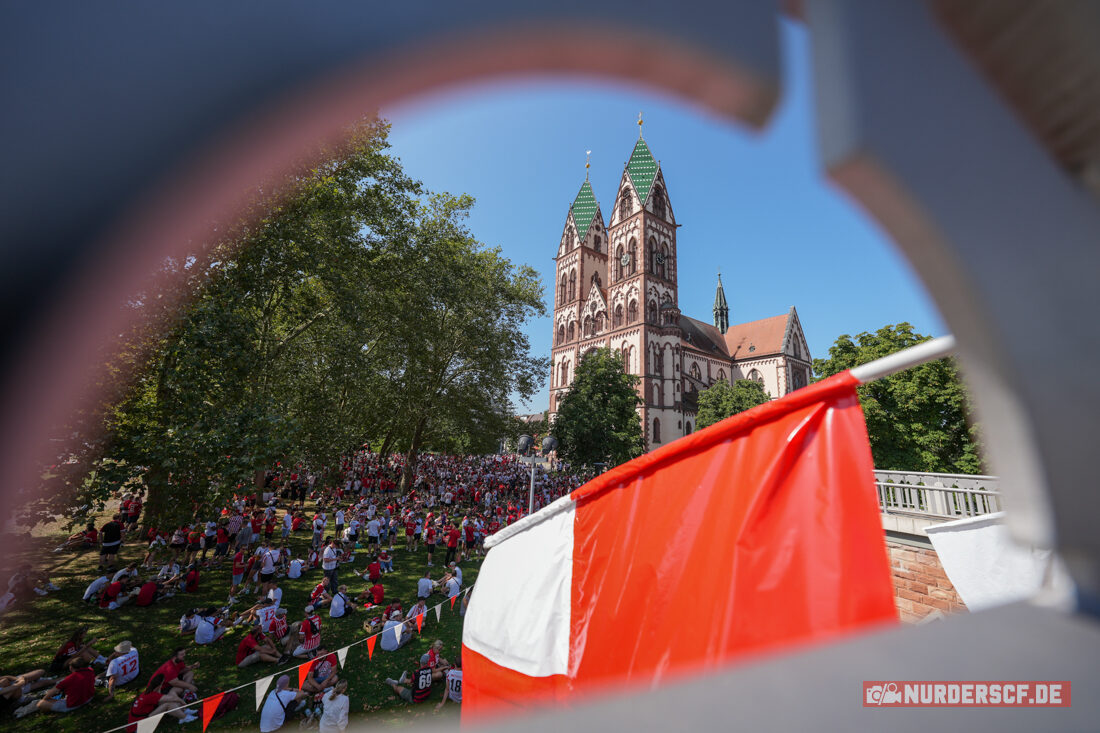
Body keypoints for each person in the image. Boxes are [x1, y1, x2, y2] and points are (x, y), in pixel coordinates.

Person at [15, 661, 95, 718]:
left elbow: (53, 692)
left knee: (40, 703)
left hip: (74, 704)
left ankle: (23, 712)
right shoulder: (90, 671)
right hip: (89, 697)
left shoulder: (70, 679)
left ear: (71, 668)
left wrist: (44, 700)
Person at [127, 673, 196, 730]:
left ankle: (183, 712)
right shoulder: (152, 695)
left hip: (141, 721)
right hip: (138, 728)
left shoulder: (148, 692)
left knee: (165, 702)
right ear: (159, 685)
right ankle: (184, 717)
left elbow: (163, 698)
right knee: (168, 704)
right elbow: (173, 699)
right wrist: (182, 701)